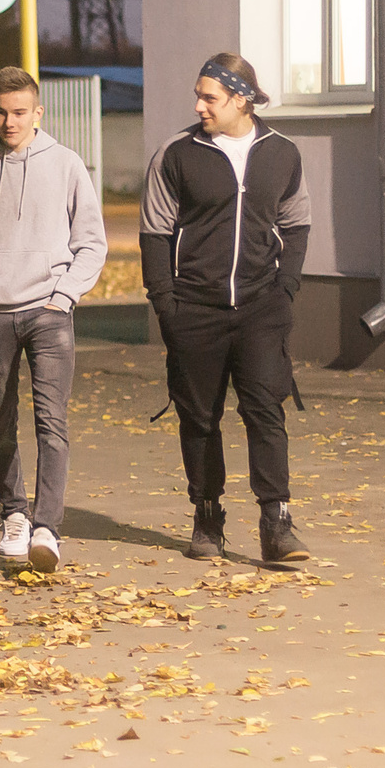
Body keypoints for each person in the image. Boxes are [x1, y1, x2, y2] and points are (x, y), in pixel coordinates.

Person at [139, 51, 312, 563]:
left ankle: (277, 522)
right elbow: (154, 231)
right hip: (194, 307)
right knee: (199, 416)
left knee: (265, 409)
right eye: (198, 95)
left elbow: (297, 223)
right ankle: (207, 516)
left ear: (242, 99)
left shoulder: (282, 153)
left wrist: (286, 289)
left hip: (261, 305)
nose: (199, 106)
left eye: (209, 97)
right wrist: (166, 304)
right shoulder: (177, 153)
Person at [0, 67, 108, 572]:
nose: (9, 122)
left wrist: (66, 295)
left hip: (50, 313)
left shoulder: (67, 164)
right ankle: (14, 513)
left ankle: (47, 527)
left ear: (38, 112)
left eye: (19, 112)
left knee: (51, 421)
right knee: (0, 418)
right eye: (1, 112)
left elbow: (91, 242)